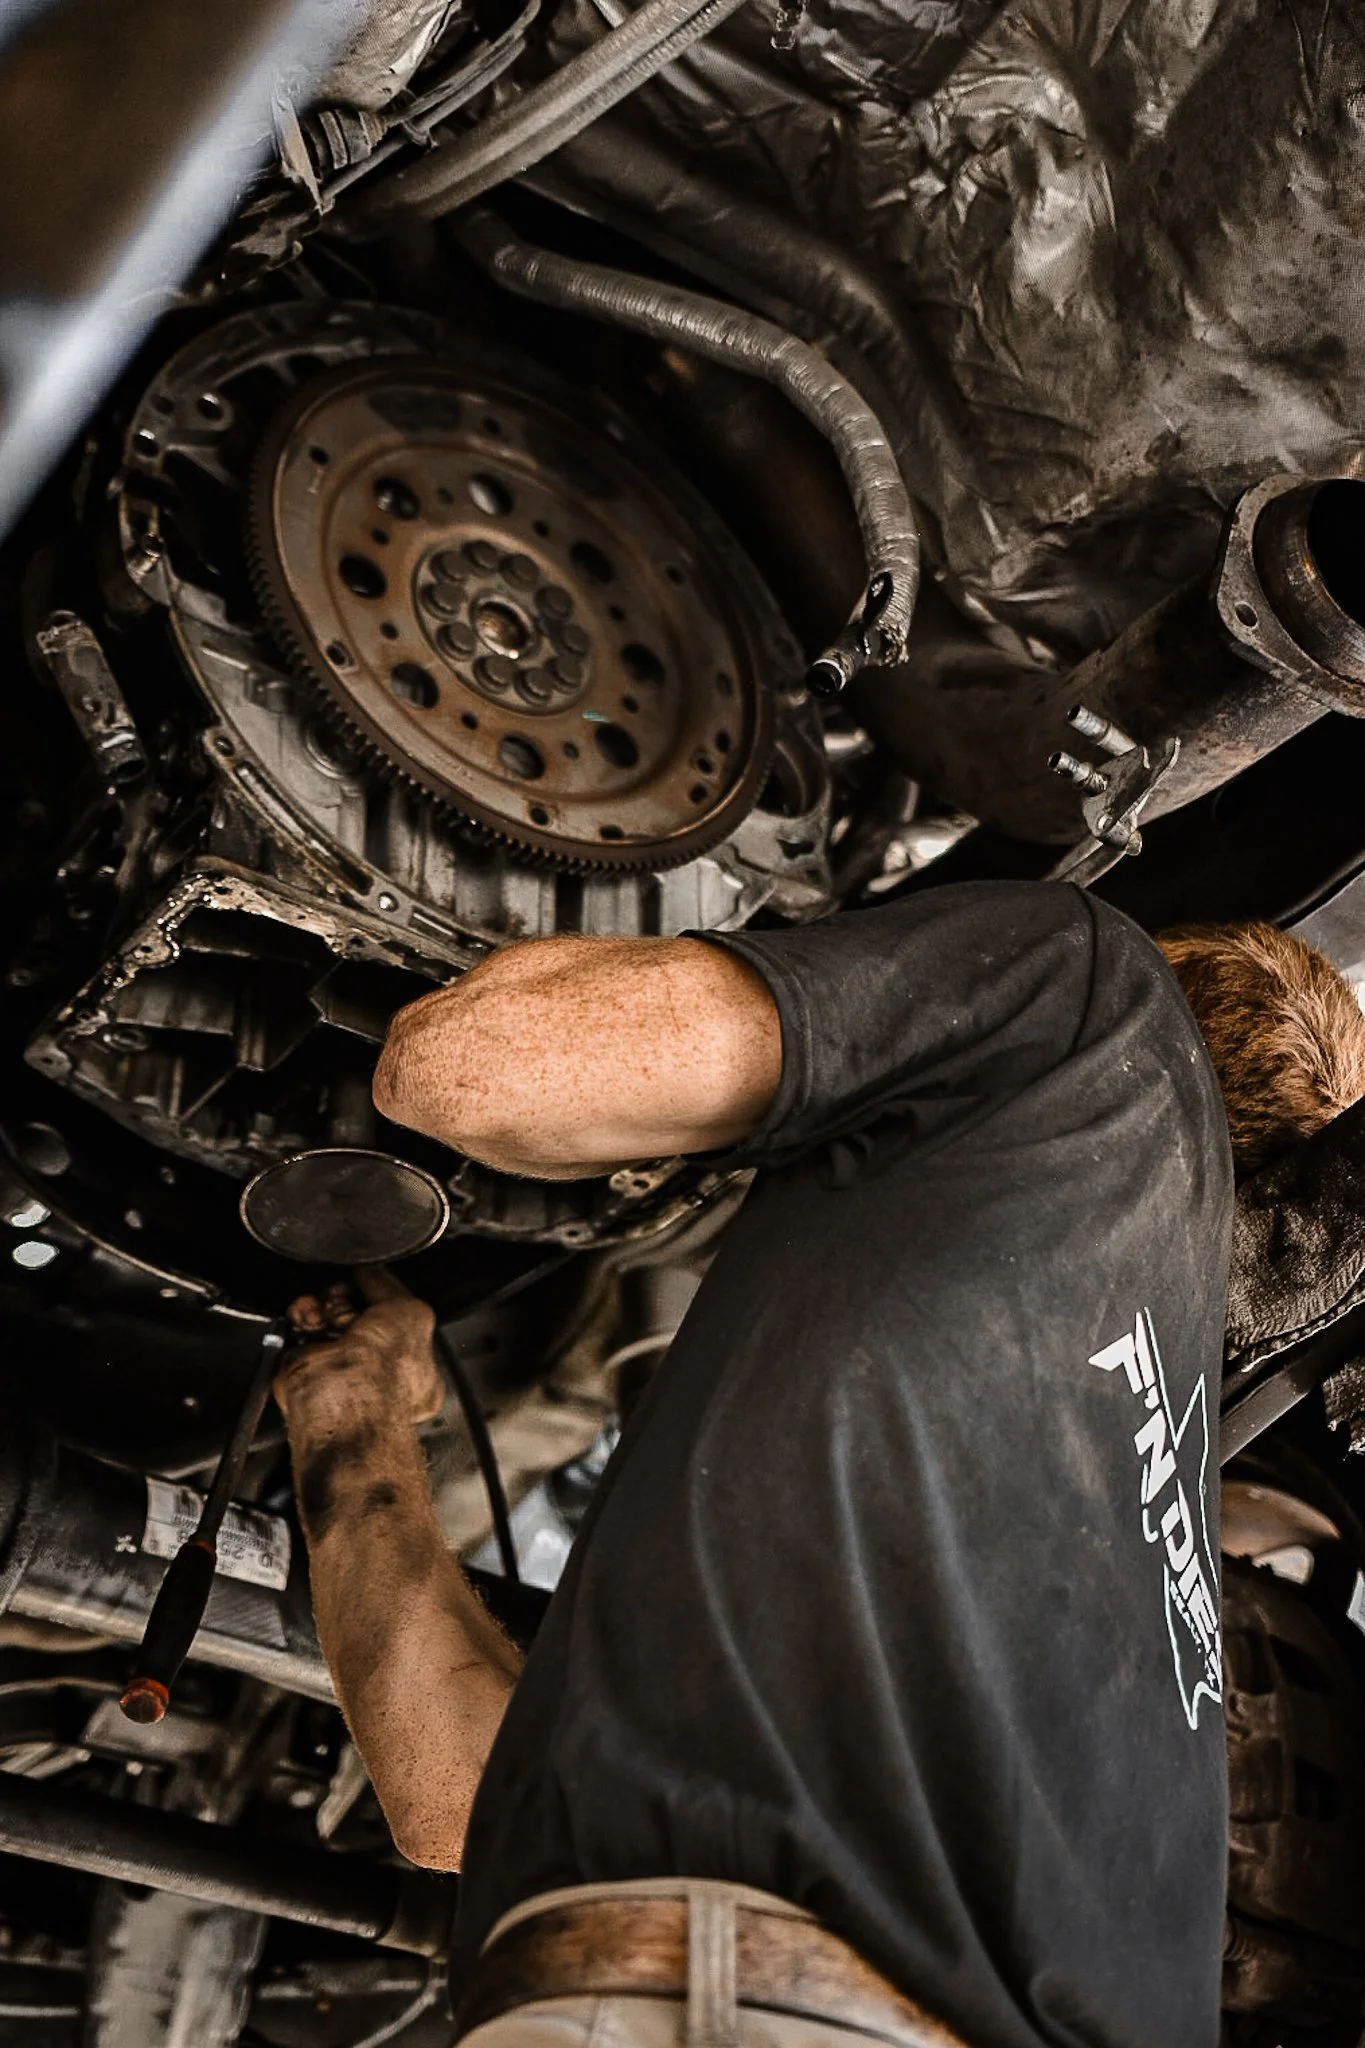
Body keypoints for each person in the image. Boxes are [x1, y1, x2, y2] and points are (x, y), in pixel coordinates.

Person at [274, 882, 1365, 2048]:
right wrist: (352, 1422)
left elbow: (463, 1065)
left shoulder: (1100, 996)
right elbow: (454, 1801)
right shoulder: (1153, 1575)